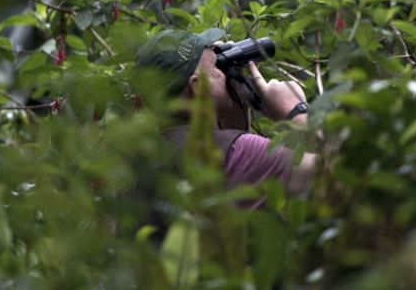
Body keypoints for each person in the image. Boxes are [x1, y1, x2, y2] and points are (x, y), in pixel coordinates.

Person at [134, 28, 318, 205]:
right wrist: (296, 111)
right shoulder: (239, 152)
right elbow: (336, 172)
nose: (223, 74)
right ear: (198, 86)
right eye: (216, 66)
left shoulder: (141, 167)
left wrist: (235, 103)